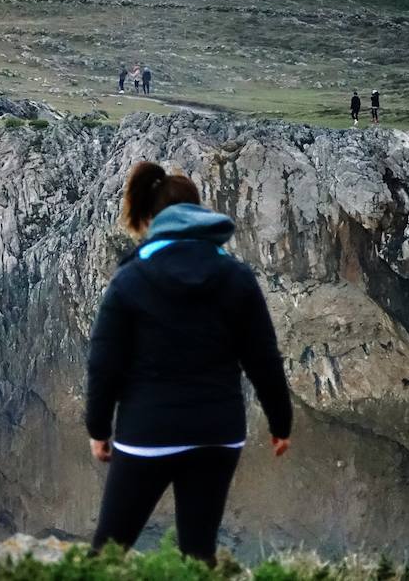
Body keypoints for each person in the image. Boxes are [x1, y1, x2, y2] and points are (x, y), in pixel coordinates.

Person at [87, 161, 292, 566]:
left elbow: (104, 363)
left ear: (149, 217)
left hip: (148, 432)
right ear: (200, 215)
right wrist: (280, 424)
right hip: (217, 432)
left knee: (106, 555)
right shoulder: (237, 277)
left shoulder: (131, 280)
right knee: (198, 555)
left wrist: (98, 429)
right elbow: (263, 359)